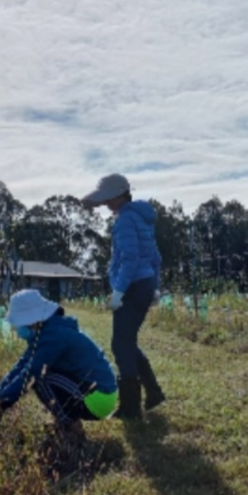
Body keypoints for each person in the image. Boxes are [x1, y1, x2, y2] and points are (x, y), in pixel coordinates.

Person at [81, 173, 164, 419]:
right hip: (144, 282)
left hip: (133, 285)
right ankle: (153, 392)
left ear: (119, 195)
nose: (106, 204)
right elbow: (154, 257)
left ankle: (130, 407)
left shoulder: (126, 220)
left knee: (120, 344)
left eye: (108, 199)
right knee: (127, 342)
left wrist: (119, 291)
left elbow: (130, 258)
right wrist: (155, 285)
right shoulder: (142, 218)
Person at [0, 289, 118, 443]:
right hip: (98, 392)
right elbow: (22, 363)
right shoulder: (46, 333)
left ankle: (69, 426)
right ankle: (67, 419)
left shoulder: (54, 336)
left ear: (32, 320)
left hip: (100, 398)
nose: (16, 329)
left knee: (40, 377)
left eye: (19, 323)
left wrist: (1, 405)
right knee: (39, 372)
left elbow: (30, 373)